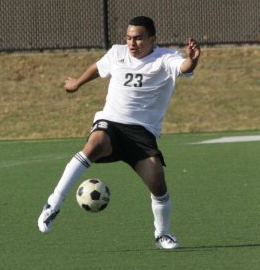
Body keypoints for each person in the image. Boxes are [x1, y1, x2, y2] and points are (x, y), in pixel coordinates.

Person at [37, 16, 201, 250]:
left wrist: (192, 60)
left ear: (152, 39)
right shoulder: (118, 53)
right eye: (129, 37)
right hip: (111, 122)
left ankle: (163, 234)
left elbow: (184, 67)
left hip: (142, 133)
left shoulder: (166, 58)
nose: (132, 43)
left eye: (138, 38)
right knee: (94, 145)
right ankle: (53, 204)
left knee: (157, 182)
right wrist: (77, 82)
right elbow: (98, 67)